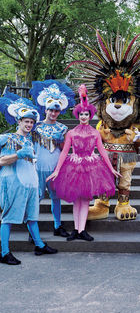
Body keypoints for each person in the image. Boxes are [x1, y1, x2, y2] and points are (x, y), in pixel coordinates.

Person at [47, 85, 119, 241]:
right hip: (74, 166)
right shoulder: (71, 133)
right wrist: (57, 170)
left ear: (90, 115)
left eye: (86, 114)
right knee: (76, 200)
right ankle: (75, 229)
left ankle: (82, 230)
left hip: (91, 167)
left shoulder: (95, 133)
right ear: (78, 115)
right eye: (81, 114)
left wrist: (111, 169)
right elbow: (65, 152)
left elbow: (102, 151)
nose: (84, 116)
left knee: (85, 200)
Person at [0, 92, 58, 265]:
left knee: (32, 217)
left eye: (32, 122)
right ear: (19, 121)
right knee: (9, 218)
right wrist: (17, 155)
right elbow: (1, 161)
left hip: (31, 184)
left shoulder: (31, 140)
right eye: (26, 121)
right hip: (14, 183)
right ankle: (4, 252)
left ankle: (39, 245)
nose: (29, 124)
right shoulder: (7, 138)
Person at [30, 79, 75, 239]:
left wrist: (60, 141)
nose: (53, 113)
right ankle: (32, 229)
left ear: (60, 111)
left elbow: (65, 149)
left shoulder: (63, 128)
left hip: (56, 169)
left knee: (56, 198)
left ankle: (58, 226)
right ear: (46, 109)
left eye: (56, 111)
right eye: (50, 110)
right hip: (38, 168)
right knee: (36, 199)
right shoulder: (35, 127)